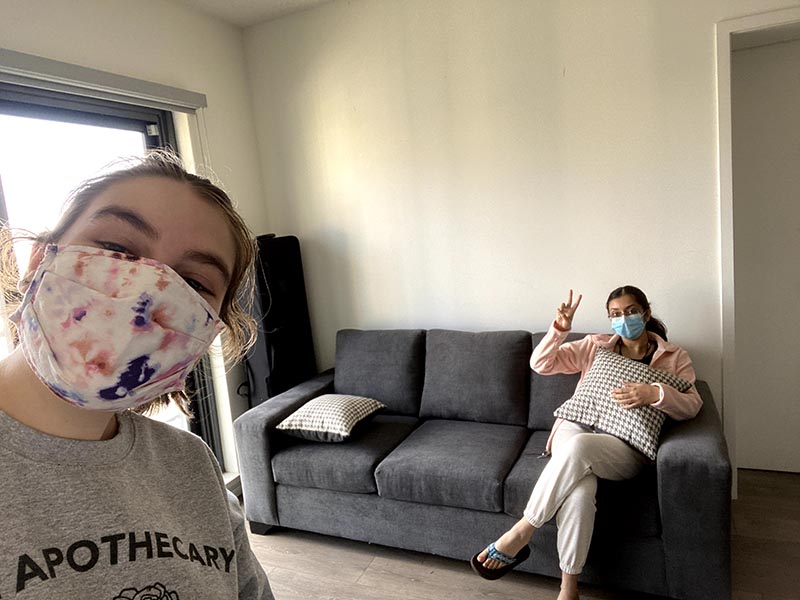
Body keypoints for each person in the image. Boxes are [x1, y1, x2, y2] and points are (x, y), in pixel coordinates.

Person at [0, 152, 274, 599]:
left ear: (206, 330)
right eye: (115, 248)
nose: (145, 293)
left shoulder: (189, 462)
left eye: (194, 282)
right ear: (38, 261)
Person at [471, 287, 701, 600]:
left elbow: (693, 404)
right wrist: (559, 328)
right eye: (616, 314)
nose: (624, 319)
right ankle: (569, 588)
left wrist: (655, 393)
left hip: (623, 445)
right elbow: (541, 363)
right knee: (580, 490)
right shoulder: (595, 345)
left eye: (631, 311)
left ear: (646, 313)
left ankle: (522, 530)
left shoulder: (674, 357)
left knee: (579, 449)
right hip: (576, 425)